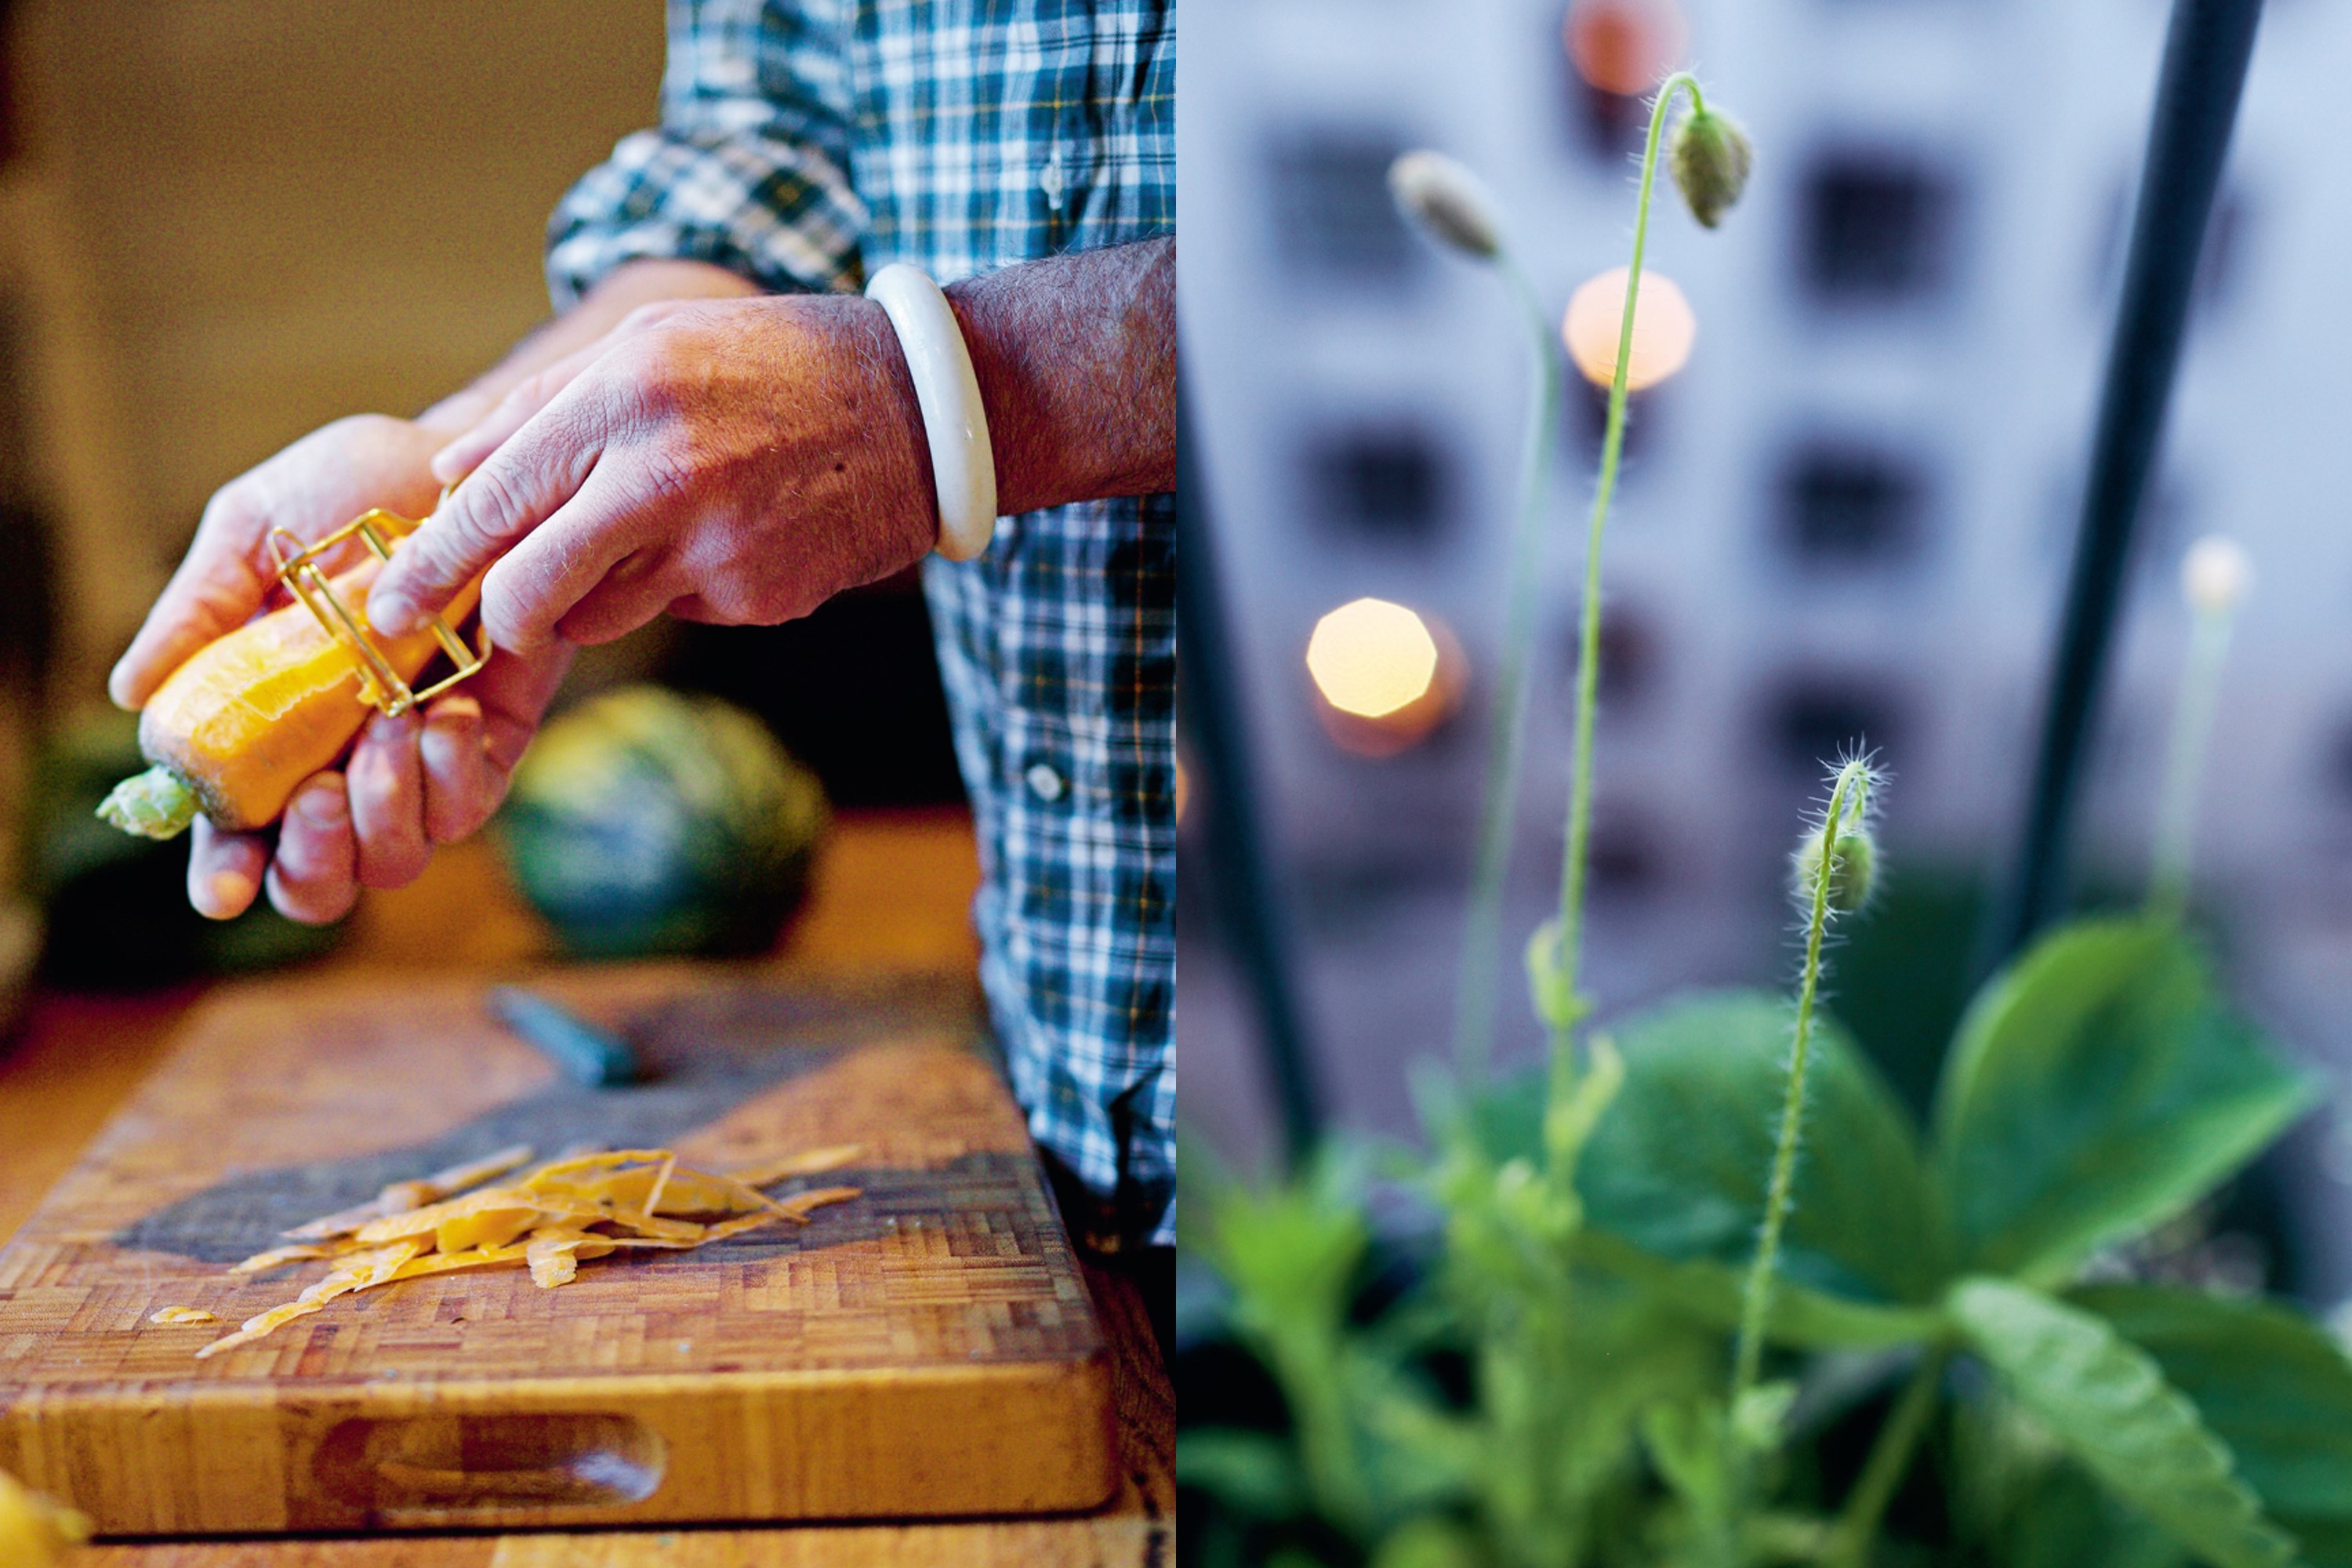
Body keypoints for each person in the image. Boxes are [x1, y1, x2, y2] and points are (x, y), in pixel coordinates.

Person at [106, 2, 1176, 1266]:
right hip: (1052, 1103)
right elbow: (766, 169)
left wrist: (939, 399)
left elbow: (1446, 212)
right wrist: (471, 450)